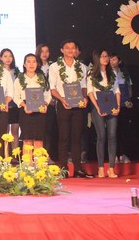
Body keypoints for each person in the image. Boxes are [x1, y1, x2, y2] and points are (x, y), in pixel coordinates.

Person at [49, 40, 92, 178]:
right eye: (67, 48)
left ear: (76, 50)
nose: (70, 50)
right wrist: (62, 99)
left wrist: (84, 97)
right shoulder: (55, 67)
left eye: (73, 48)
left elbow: (84, 85)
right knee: (64, 137)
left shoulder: (82, 66)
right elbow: (52, 88)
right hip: (64, 104)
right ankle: (63, 169)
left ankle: (78, 168)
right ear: (62, 50)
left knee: (77, 137)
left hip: (78, 105)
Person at [87, 49, 121, 178]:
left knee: (112, 136)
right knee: (101, 136)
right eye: (102, 56)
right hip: (98, 107)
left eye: (107, 56)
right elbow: (90, 92)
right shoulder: (91, 73)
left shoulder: (112, 73)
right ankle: (101, 167)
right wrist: (97, 107)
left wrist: (118, 106)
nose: (105, 58)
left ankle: (111, 168)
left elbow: (116, 90)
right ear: (97, 58)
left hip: (111, 106)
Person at [13, 54, 51, 157]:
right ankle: (28, 165)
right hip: (26, 110)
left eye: (34, 61)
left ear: (37, 64)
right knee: (27, 140)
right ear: (24, 64)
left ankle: (39, 164)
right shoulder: (19, 79)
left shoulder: (42, 78)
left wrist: (45, 104)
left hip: (40, 110)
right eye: (28, 61)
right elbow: (16, 97)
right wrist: (24, 105)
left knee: (39, 139)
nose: (31, 64)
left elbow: (47, 95)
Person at [37, 43, 58, 162]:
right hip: (37, 102)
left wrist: (51, 99)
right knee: (40, 129)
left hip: (51, 102)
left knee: (49, 130)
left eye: (47, 51)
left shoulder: (53, 66)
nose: (45, 54)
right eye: (42, 51)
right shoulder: (35, 66)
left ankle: (47, 155)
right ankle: (38, 155)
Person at [110, 52, 132, 163]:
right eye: (110, 59)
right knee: (112, 131)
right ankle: (114, 155)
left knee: (123, 130)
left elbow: (129, 88)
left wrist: (129, 100)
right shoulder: (107, 73)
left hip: (123, 105)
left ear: (119, 61)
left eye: (114, 59)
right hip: (111, 105)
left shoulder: (124, 74)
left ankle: (123, 154)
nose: (112, 61)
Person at [1, 48, 21, 150]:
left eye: (10, 56)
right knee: (4, 132)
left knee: (15, 130)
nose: (8, 58)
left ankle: (14, 154)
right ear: (1, 58)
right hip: (2, 103)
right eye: (5, 56)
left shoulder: (17, 72)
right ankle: (5, 154)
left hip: (15, 103)